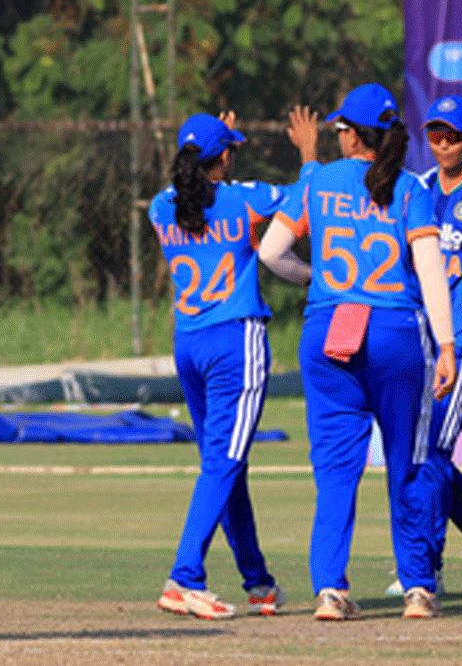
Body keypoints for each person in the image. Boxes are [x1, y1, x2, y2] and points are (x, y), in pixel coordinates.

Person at [258, 82, 457, 621]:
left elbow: (271, 252)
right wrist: (446, 344)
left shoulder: (317, 180)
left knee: (335, 472)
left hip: (329, 328)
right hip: (395, 330)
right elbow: (431, 270)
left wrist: (312, 277)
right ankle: (417, 587)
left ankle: (330, 590)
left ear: (348, 135)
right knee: (408, 464)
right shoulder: (411, 186)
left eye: (341, 127)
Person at [150, 108, 317, 619]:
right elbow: (302, 202)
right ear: (223, 157)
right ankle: (184, 577)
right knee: (223, 462)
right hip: (234, 343)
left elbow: (196, 195)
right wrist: (309, 156)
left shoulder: (160, 206)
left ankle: (257, 582)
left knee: (225, 464)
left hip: (189, 344)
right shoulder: (243, 199)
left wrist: (215, 146)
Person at [384, 94, 462, 596]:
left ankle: (424, 569)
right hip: (426, 339)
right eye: (435, 134)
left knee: (433, 450)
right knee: (425, 452)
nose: (443, 144)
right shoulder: (419, 188)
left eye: (453, 135)